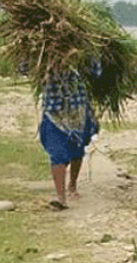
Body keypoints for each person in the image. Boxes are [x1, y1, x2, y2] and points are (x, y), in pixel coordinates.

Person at [38, 64, 100, 210]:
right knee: (57, 154)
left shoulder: (83, 55)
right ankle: (61, 197)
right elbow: (25, 69)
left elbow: (95, 72)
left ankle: (72, 185)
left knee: (76, 151)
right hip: (54, 113)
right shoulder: (44, 55)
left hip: (77, 112)